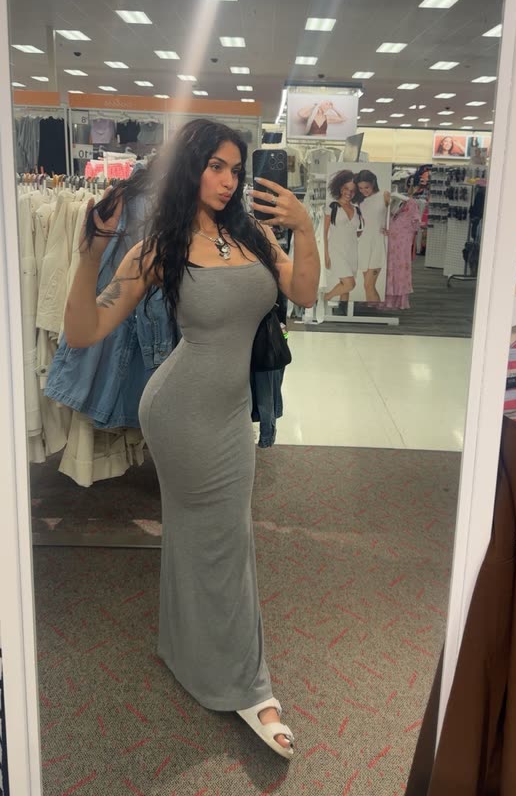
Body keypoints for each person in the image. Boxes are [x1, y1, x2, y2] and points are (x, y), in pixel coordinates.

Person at [63, 118, 320, 760]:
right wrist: (91, 251)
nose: (228, 181)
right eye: (215, 167)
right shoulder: (161, 248)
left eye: (236, 169)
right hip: (180, 412)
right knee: (227, 538)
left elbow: (305, 292)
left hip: (230, 411)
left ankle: (184, 648)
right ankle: (250, 687)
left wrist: (308, 228)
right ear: (191, 168)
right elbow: (85, 330)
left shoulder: (253, 233)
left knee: (205, 534)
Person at [323, 169, 362, 308]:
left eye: (353, 190)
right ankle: (324, 298)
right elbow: (324, 232)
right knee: (349, 284)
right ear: (340, 188)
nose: (349, 193)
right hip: (336, 250)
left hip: (352, 252)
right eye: (346, 188)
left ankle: (343, 311)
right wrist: (326, 254)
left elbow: (357, 231)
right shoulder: (332, 206)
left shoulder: (357, 210)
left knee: (345, 287)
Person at [353, 169, 391, 303]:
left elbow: (397, 214)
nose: (364, 191)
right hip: (364, 243)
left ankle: (374, 309)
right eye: (360, 188)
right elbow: (364, 224)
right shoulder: (361, 202)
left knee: (368, 285)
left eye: (367, 187)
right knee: (367, 285)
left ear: (373, 183)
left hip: (378, 243)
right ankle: (372, 308)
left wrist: (391, 229)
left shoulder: (384, 195)